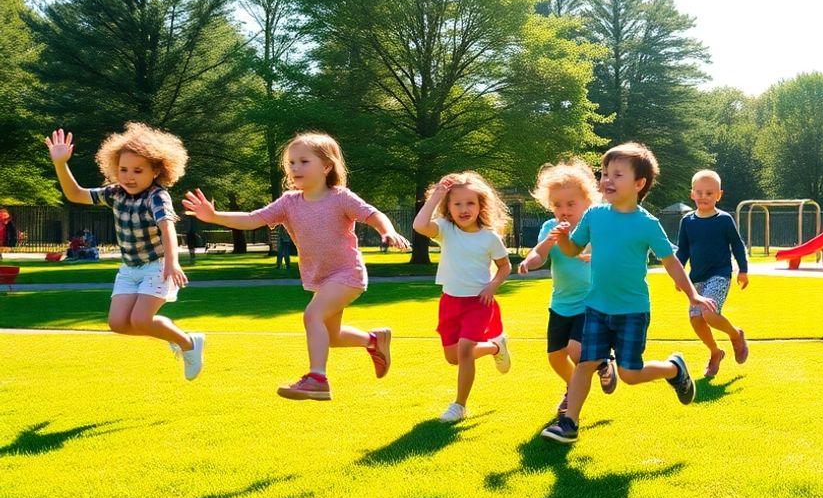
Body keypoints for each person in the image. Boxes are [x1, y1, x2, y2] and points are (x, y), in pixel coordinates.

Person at [182, 132, 409, 400]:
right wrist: (215, 216)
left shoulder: (340, 198)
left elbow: (373, 214)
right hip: (321, 279)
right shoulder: (289, 202)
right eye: (291, 163)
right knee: (331, 337)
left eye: (303, 161)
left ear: (326, 166)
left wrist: (388, 231)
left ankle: (317, 379)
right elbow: (253, 219)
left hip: (347, 274)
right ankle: (373, 340)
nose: (295, 168)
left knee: (312, 317)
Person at [540, 142, 717, 444]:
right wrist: (563, 238)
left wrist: (693, 295)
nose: (607, 179)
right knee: (585, 363)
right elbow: (573, 250)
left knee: (630, 374)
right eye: (605, 173)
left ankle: (673, 369)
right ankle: (569, 423)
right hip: (595, 307)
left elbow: (671, 261)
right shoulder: (594, 215)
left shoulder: (647, 224)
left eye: (616, 174)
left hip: (632, 311)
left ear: (639, 184)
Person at [44, 125, 205, 379]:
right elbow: (75, 194)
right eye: (123, 170)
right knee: (118, 324)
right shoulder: (115, 193)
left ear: (156, 170)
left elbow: (167, 229)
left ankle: (188, 343)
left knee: (141, 320)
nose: (129, 177)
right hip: (129, 268)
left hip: (157, 265)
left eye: (138, 170)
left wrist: (172, 263)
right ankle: (177, 336)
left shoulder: (157, 197)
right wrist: (61, 163)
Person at [518, 159, 619, 417]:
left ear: (588, 202)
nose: (563, 211)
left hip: (590, 302)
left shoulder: (594, 227)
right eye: (557, 205)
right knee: (555, 356)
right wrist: (530, 261)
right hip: (560, 304)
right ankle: (574, 383)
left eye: (570, 204)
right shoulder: (550, 228)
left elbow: (612, 255)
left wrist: (596, 255)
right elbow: (540, 255)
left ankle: (599, 368)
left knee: (576, 349)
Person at [412, 171, 513, 423]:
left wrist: (493, 285)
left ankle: (459, 406)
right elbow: (419, 225)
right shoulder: (445, 229)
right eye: (456, 203)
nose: (464, 209)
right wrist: (437, 194)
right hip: (450, 302)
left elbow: (505, 266)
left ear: (481, 206)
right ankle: (495, 346)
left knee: (465, 351)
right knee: (453, 358)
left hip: (479, 303)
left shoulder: (489, 237)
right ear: (448, 207)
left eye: (470, 203)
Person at [675, 169, 750, 378]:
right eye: (699, 192)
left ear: (719, 195)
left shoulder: (724, 220)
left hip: (719, 274)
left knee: (709, 313)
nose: (703, 197)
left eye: (709, 193)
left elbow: (737, 245)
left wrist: (743, 270)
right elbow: (683, 250)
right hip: (695, 279)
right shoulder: (687, 221)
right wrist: (678, 276)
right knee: (696, 320)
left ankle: (736, 336)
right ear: (692, 194)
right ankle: (716, 352)